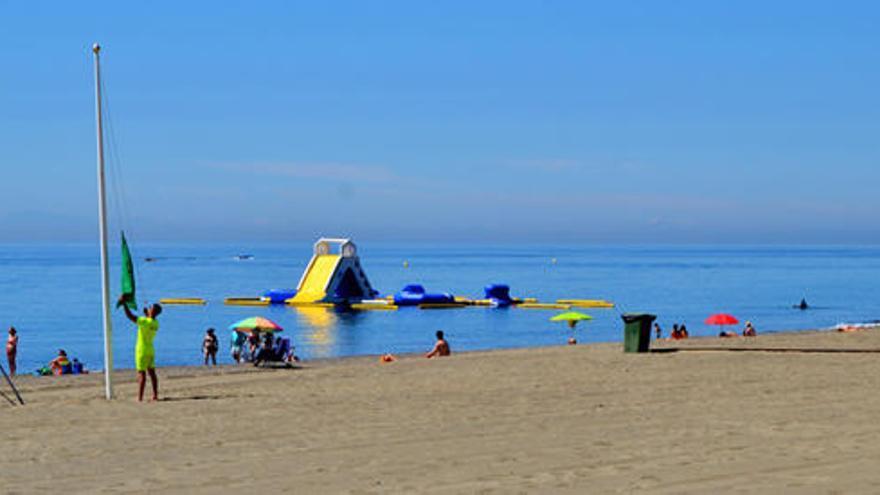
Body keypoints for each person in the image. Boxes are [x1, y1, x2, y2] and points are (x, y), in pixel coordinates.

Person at [119, 296, 161, 402]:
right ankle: (155, 395)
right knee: (152, 374)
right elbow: (149, 319)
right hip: (150, 350)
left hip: (141, 351)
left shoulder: (144, 321)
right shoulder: (156, 323)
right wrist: (148, 313)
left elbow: (130, 316)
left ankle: (140, 398)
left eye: (150, 308)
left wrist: (124, 304)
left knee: (142, 375)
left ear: (153, 311)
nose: (149, 308)